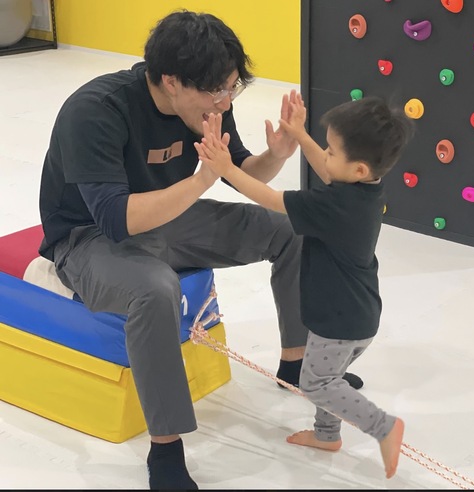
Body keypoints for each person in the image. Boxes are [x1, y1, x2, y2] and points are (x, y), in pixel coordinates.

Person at [37, 10, 362, 490]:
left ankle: (296, 365)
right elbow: (116, 219)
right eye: (216, 91)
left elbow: (239, 171)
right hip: (87, 237)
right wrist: (203, 180)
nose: (224, 101)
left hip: (167, 217)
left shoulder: (207, 104)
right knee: (155, 288)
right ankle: (165, 448)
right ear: (171, 81)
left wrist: (276, 154)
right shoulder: (96, 111)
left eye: (232, 88)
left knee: (292, 230)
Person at [195, 93, 414, 479]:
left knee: (316, 384)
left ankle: (383, 427)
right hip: (357, 312)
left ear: (358, 168)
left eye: (330, 151)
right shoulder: (365, 189)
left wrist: (226, 168)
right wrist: (299, 133)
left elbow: (269, 197)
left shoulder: (331, 207)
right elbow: (331, 171)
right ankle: (327, 435)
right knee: (328, 378)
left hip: (339, 320)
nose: (323, 156)